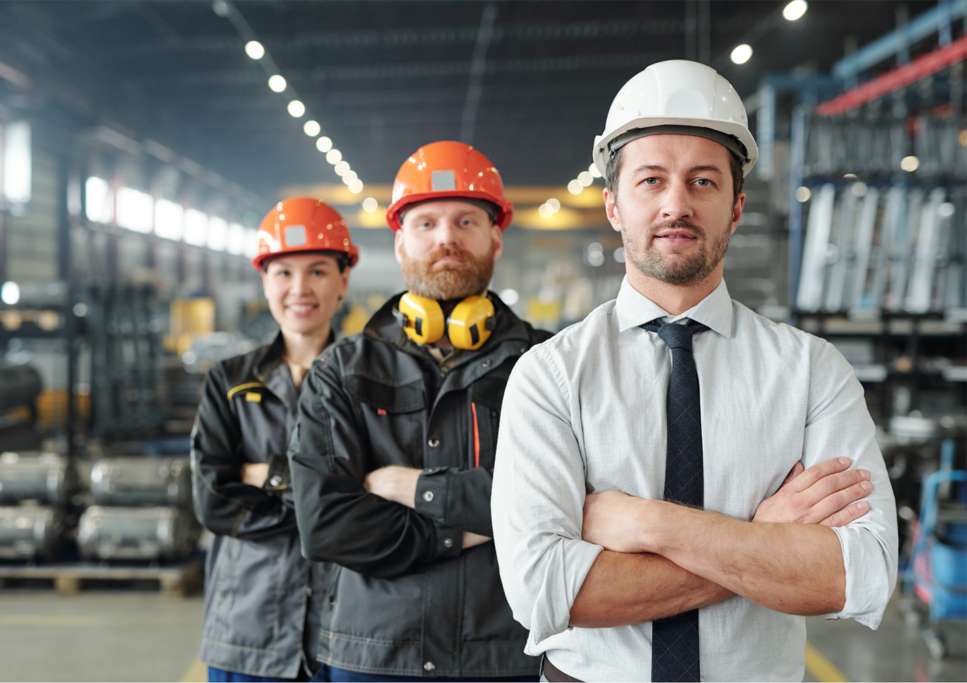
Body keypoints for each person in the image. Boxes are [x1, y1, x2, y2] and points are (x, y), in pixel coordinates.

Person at [491, 60, 898, 682]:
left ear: (735, 208)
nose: (675, 204)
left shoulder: (811, 370)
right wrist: (761, 542)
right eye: (651, 180)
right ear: (614, 207)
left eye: (702, 182)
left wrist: (645, 523)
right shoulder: (551, 376)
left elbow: (857, 574)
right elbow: (546, 592)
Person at [287, 141, 549, 682]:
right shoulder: (342, 371)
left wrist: (411, 488)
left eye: (466, 220)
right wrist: (473, 526)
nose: (446, 237)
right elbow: (327, 525)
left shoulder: (547, 365)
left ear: (496, 236)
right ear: (400, 240)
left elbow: (564, 505)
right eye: (425, 222)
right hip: (375, 658)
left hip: (507, 655)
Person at [190, 198, 359, 682]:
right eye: (283, 272)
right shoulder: (229, 380)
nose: (300, 288)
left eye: (318, 271)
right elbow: (214, 502)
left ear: (343, 280)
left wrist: (269, 477)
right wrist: (327, 503)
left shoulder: (371, 382)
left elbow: (379, 509)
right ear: (264, 281)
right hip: (246, 629)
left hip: (343, 630)